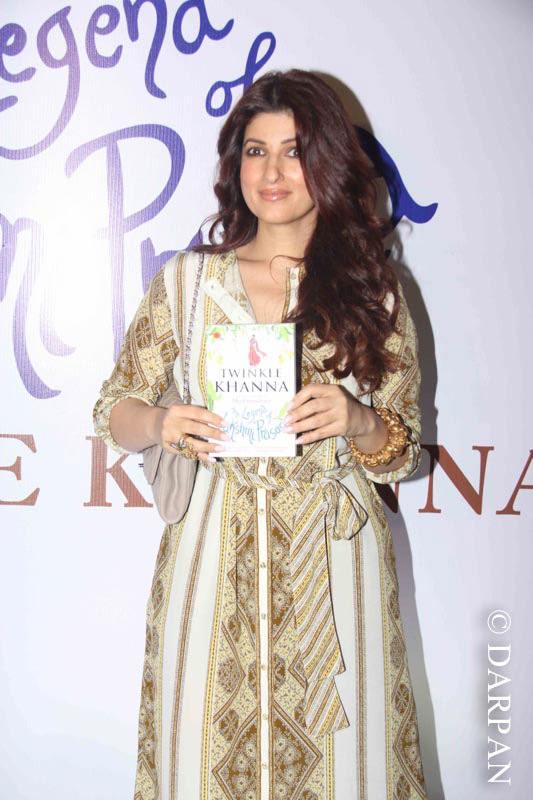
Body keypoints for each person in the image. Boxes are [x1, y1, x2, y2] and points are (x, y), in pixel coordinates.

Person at [93, 69, 428, 800]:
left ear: (328, 162)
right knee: (199, 761)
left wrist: (359, 420)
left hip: (334, 564)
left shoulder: (375, 293)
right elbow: (113, 409)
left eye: (293, 151)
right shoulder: (186, 283)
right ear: (235, 165)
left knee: (349, 767)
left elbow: (400, 454)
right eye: (255, 151)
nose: (271, 172)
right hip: (212, 558)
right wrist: (162, 423)